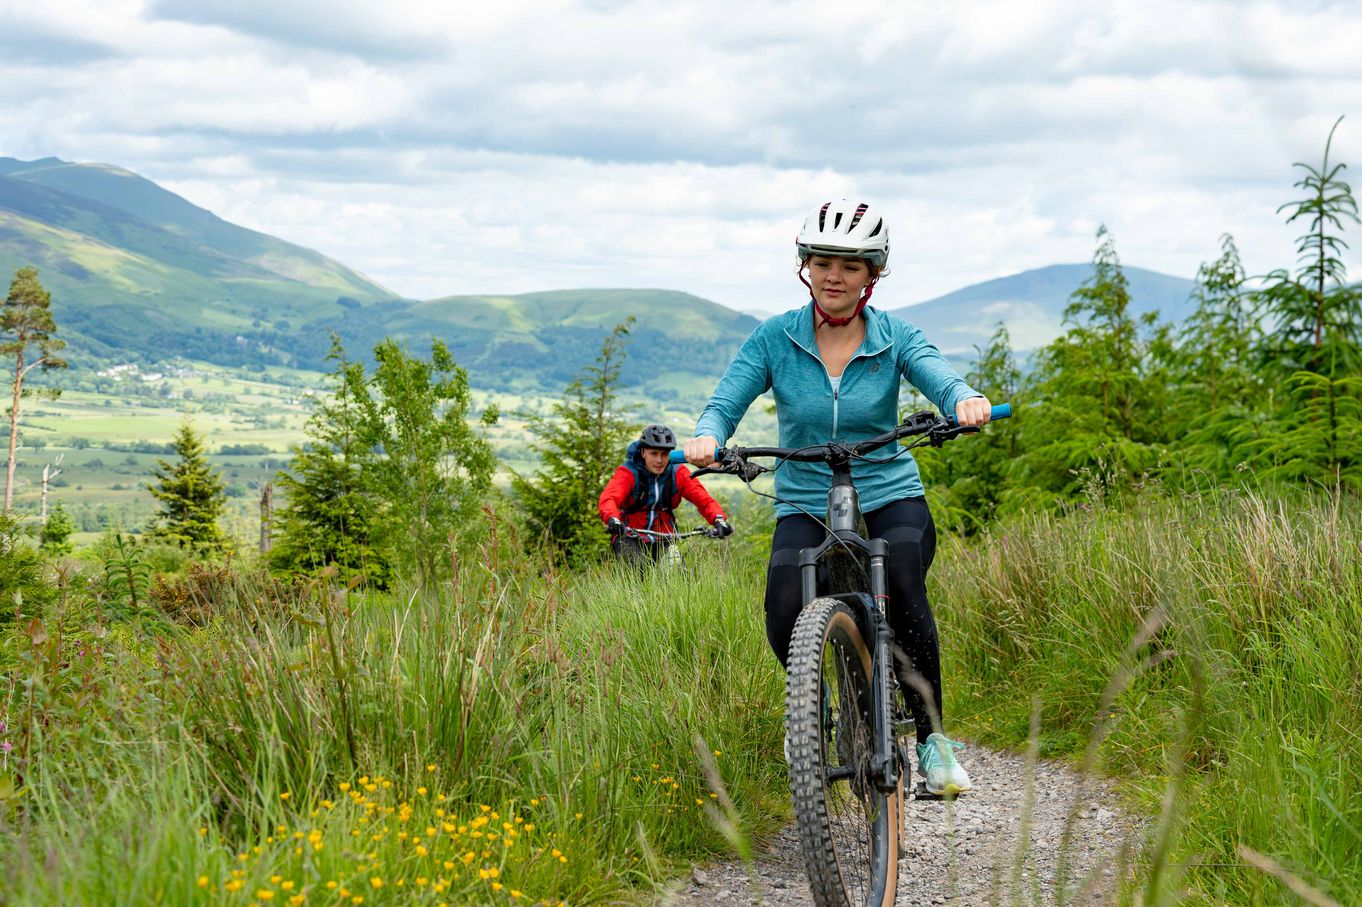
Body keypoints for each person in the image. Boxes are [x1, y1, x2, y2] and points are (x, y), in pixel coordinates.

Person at [681, 199, 992, 796]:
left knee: (901, 585)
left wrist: (962, 400)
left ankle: (932, 741)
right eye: (823, 261)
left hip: (887, 487)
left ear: (872, 274)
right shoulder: (775, 337)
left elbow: (940, 375)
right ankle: (814, 704)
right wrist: (708, 436)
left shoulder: (897, 336)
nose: (834, 276)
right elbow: (727, 399)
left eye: (850, 266)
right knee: (780, 608)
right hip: (803, 495)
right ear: (806, 265)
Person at [599, 423, 733, 564]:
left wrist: (719, 519)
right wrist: (613, 518)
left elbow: (704, 500)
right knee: (637, 569)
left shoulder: (678, 473)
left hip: (664, 536)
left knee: (677, 573)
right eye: (654, 454)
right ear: (643, 452)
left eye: (664, 454)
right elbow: (610, 498)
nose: (659, 460)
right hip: (629, 534)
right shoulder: (629, 472)